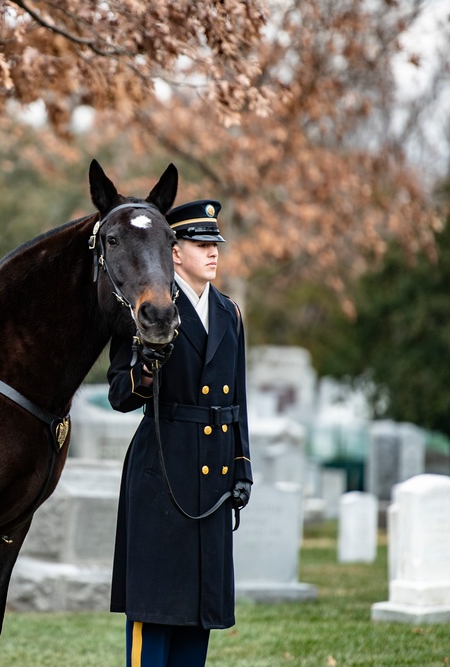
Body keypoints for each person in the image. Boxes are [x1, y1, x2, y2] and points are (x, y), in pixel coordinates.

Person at [107, 199, 253, 667]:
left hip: (212, 477)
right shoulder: (143, 308)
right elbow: (118, 393)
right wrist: (145, 374)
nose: (213, 252)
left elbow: (238, 403)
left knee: (197, 618)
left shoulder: (229, 312)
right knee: (155, 611)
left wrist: (242, 465)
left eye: (216, 243)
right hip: (162, 472)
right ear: (174, 253)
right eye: (200, 243)